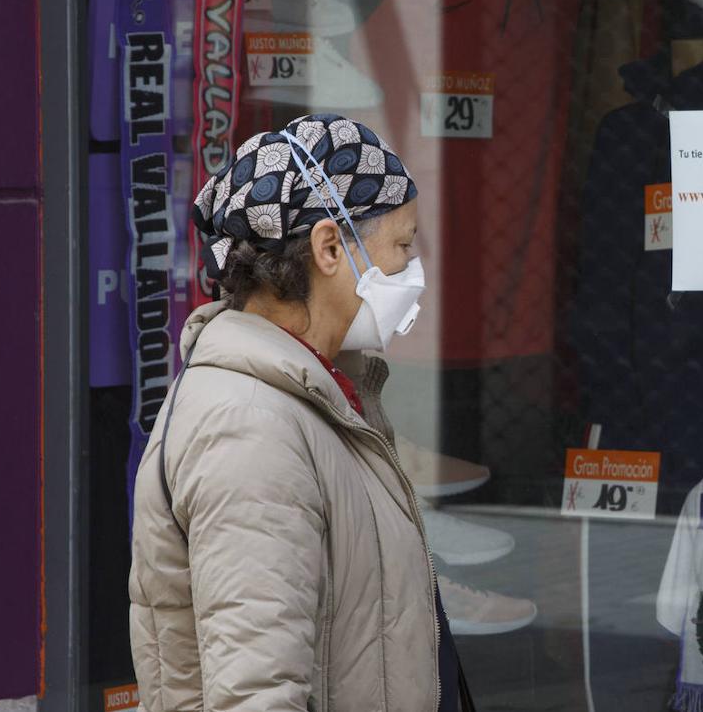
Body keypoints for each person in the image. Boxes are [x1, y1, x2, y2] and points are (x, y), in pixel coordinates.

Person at [128, 114, 468, 711]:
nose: (414, 272)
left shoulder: (311, 396)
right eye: (403, 246)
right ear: (331, 247)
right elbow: (257, 693)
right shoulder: (250, 428)